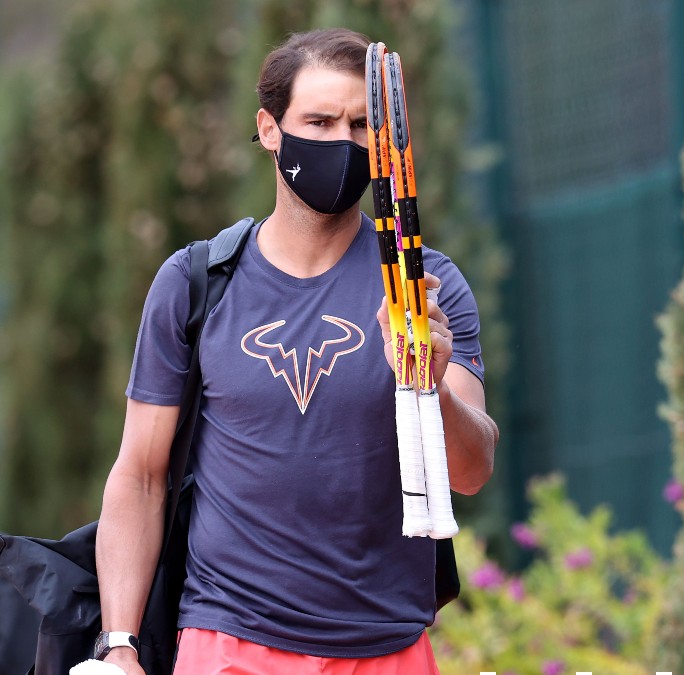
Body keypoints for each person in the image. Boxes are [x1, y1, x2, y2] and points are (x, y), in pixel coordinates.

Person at [93, 28, 497, 674]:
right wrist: (119, 644)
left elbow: (471, 471)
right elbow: (139, 473)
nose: (344, 142)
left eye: (363, 125)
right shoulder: (197, 282)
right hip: (228, 638)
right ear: (271, 128)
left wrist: (432, 382)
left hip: (387, 645)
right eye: (320, 120)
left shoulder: (429, 286)